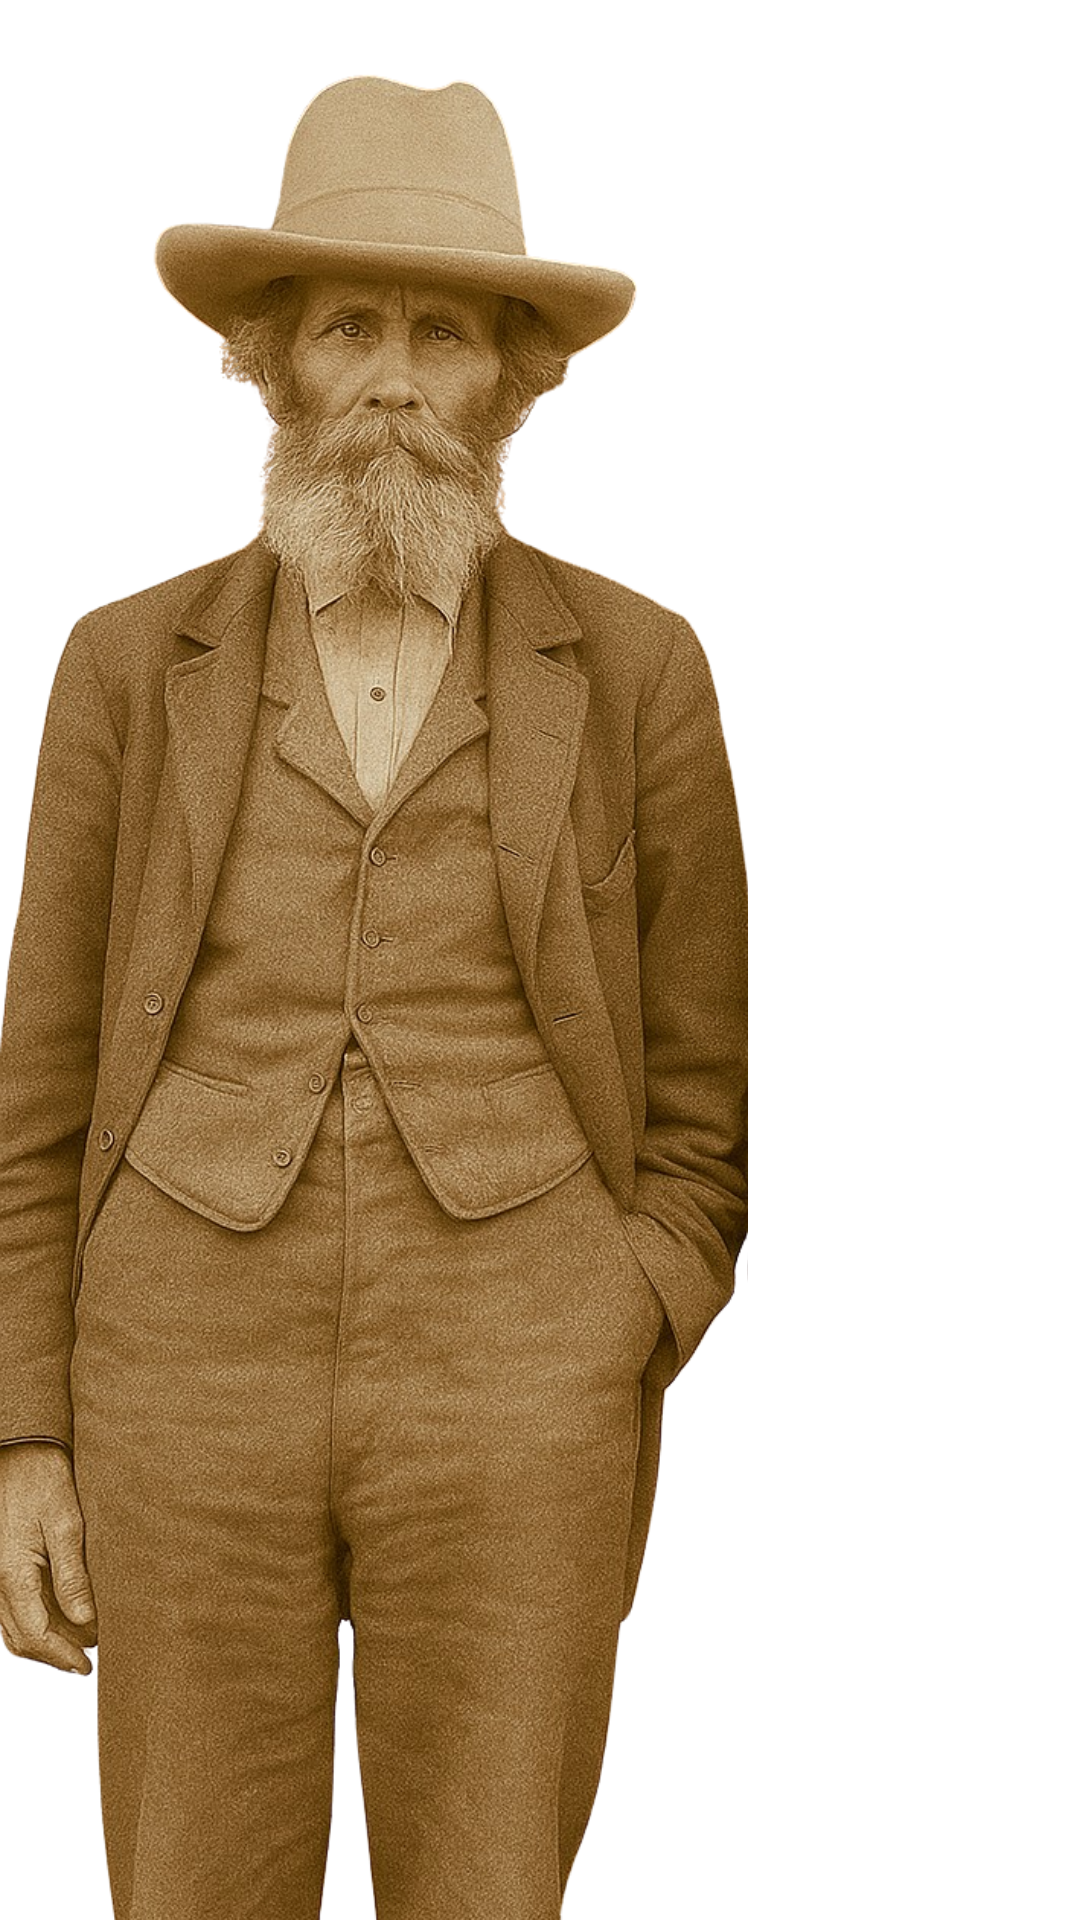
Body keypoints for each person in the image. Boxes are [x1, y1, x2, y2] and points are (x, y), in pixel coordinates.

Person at [0, 73, 747, 1920]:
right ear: (267, 364)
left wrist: (616, 1318)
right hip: (181, 1372)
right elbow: (42, 1083)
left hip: (519, 1376)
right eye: (349, 327)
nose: (396, 380)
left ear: (515, 382)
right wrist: (31, 1432)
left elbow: (700, 1103)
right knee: (188, 1887)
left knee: (490, 1889)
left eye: (442, 333)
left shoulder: (641, 667)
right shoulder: (125, 665)